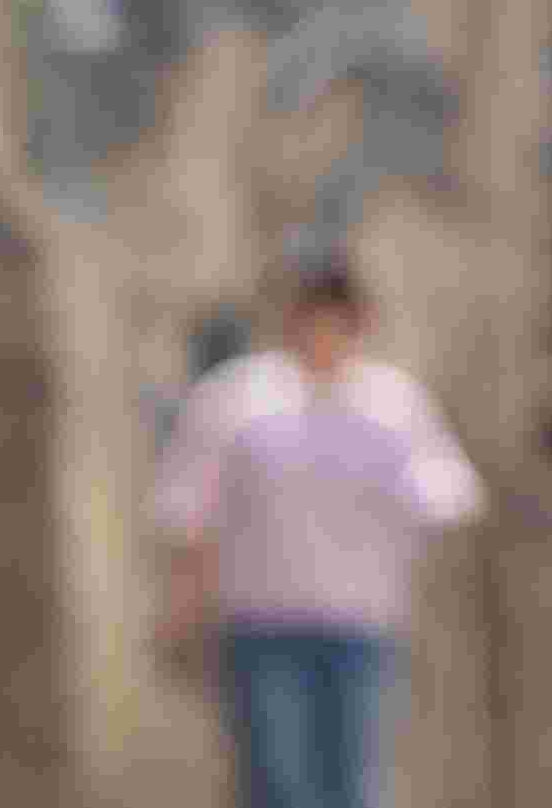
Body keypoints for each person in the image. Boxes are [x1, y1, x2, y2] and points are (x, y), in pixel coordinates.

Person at [151, 258, 482, 808]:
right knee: (277, 783)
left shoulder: (394, 405)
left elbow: (446, 499)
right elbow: (190, 511)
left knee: (352, 783)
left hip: (360, 624)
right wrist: (183, 609)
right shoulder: (236, 400)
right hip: (260, 622)